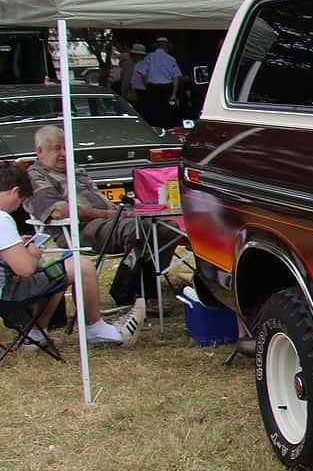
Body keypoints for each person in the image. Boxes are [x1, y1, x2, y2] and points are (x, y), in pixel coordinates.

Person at [0, 162, 130, 346]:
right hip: (7, 295)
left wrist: (16, 245)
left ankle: (36, 334)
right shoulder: (2, 219)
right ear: (14, 191)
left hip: (7, 288)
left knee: (53, 271)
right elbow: (25, 270)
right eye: (20, 200)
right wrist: (33, 252)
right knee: (79, 265)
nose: (18, 206)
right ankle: (94, 328)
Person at [25, 126, 182, 277]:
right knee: (137, 229)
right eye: (57, 148)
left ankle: (146, 286)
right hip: (78, 230)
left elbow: (101, 200)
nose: (64, 154)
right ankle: (128, 290)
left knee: (169, 227)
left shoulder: (74, 169)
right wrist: (111, 214)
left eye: (66, 148)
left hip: (108, 221)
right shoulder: (34, 177)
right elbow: (59, 211)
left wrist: (130, 209)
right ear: (40, 151)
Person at [132, 36, 183, 130]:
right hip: (167, 88)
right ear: (166, 47)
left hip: (152, 87)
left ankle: (154, 129)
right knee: (166, 112)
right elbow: (176, 77)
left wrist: (147, 86)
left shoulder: (149, 58)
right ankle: (166, 130)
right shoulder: (171, 59)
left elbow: (142, 74)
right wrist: (174, 94)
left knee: (152, 112)